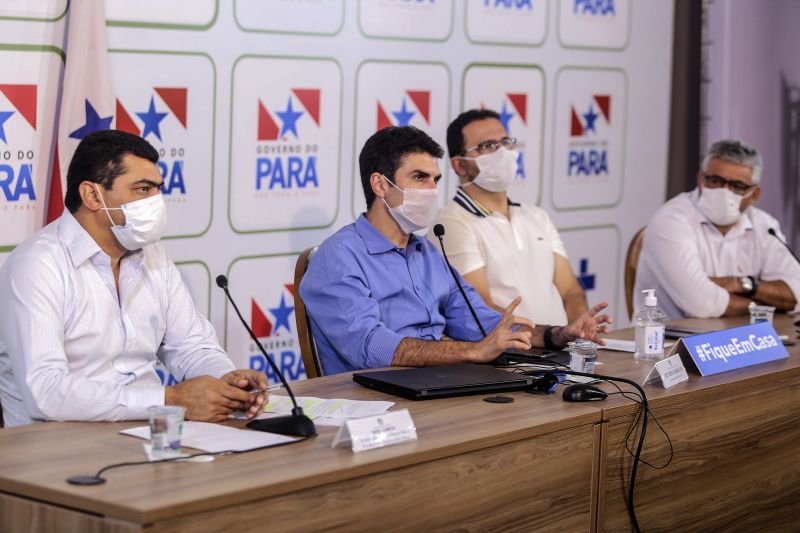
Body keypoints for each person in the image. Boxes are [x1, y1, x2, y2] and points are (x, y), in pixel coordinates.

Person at [0, 130, 266, 427]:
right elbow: (45, 392)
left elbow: (192, 347)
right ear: (92, 195)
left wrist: (228, 385)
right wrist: (171, 400)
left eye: (158, 190)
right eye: (143, 190)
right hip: (58, 449)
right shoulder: (37, 265)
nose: (157, 201)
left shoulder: (154, 257)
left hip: (149, 434)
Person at [299, 126, 611, 375]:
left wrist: (557, 335)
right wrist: (472, 352)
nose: (431, 190)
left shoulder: (427, 252)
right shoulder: (338, 256)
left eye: (435, 180)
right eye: (419, 178)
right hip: (370, 401)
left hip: (434, 383)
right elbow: (369, 347)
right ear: (380, 186)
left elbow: (484, 324)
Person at [428, 109, 588, 326]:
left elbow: (571, 290)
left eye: (505, 142)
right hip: (509, 355)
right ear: (459, 165)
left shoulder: (536, 215)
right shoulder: (451, 223)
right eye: (487, 146)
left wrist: (579, 334)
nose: (501, 152)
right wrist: (549, 337)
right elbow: (480, 308)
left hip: (560, 351)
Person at [634, 139, 800, 320]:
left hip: (739, 340)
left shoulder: (765, 225)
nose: (724, 191)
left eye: (736, 186)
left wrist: (743, 285)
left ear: (754, 195)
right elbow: (702, 305)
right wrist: (765, 305)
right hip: (665, 342)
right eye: (715, 181)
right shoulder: (670, 220)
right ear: (700, 180)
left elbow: (796, 294)